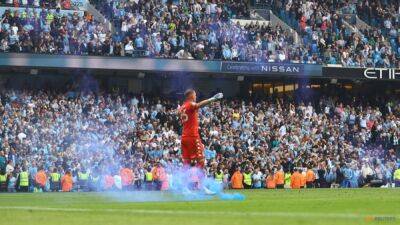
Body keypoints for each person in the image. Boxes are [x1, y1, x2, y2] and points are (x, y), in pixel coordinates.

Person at [178, 89, 223, 168]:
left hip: (184, 137)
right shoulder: (190, 104)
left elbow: (180, 113)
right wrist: (213, 99)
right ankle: (198, 179)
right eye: (195, 95)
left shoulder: (182, 107)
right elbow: (198, 105)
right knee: (201, 159)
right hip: (192, 136)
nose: (196, 96)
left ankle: (185, 178)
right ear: (191, 95)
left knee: (187, 161)